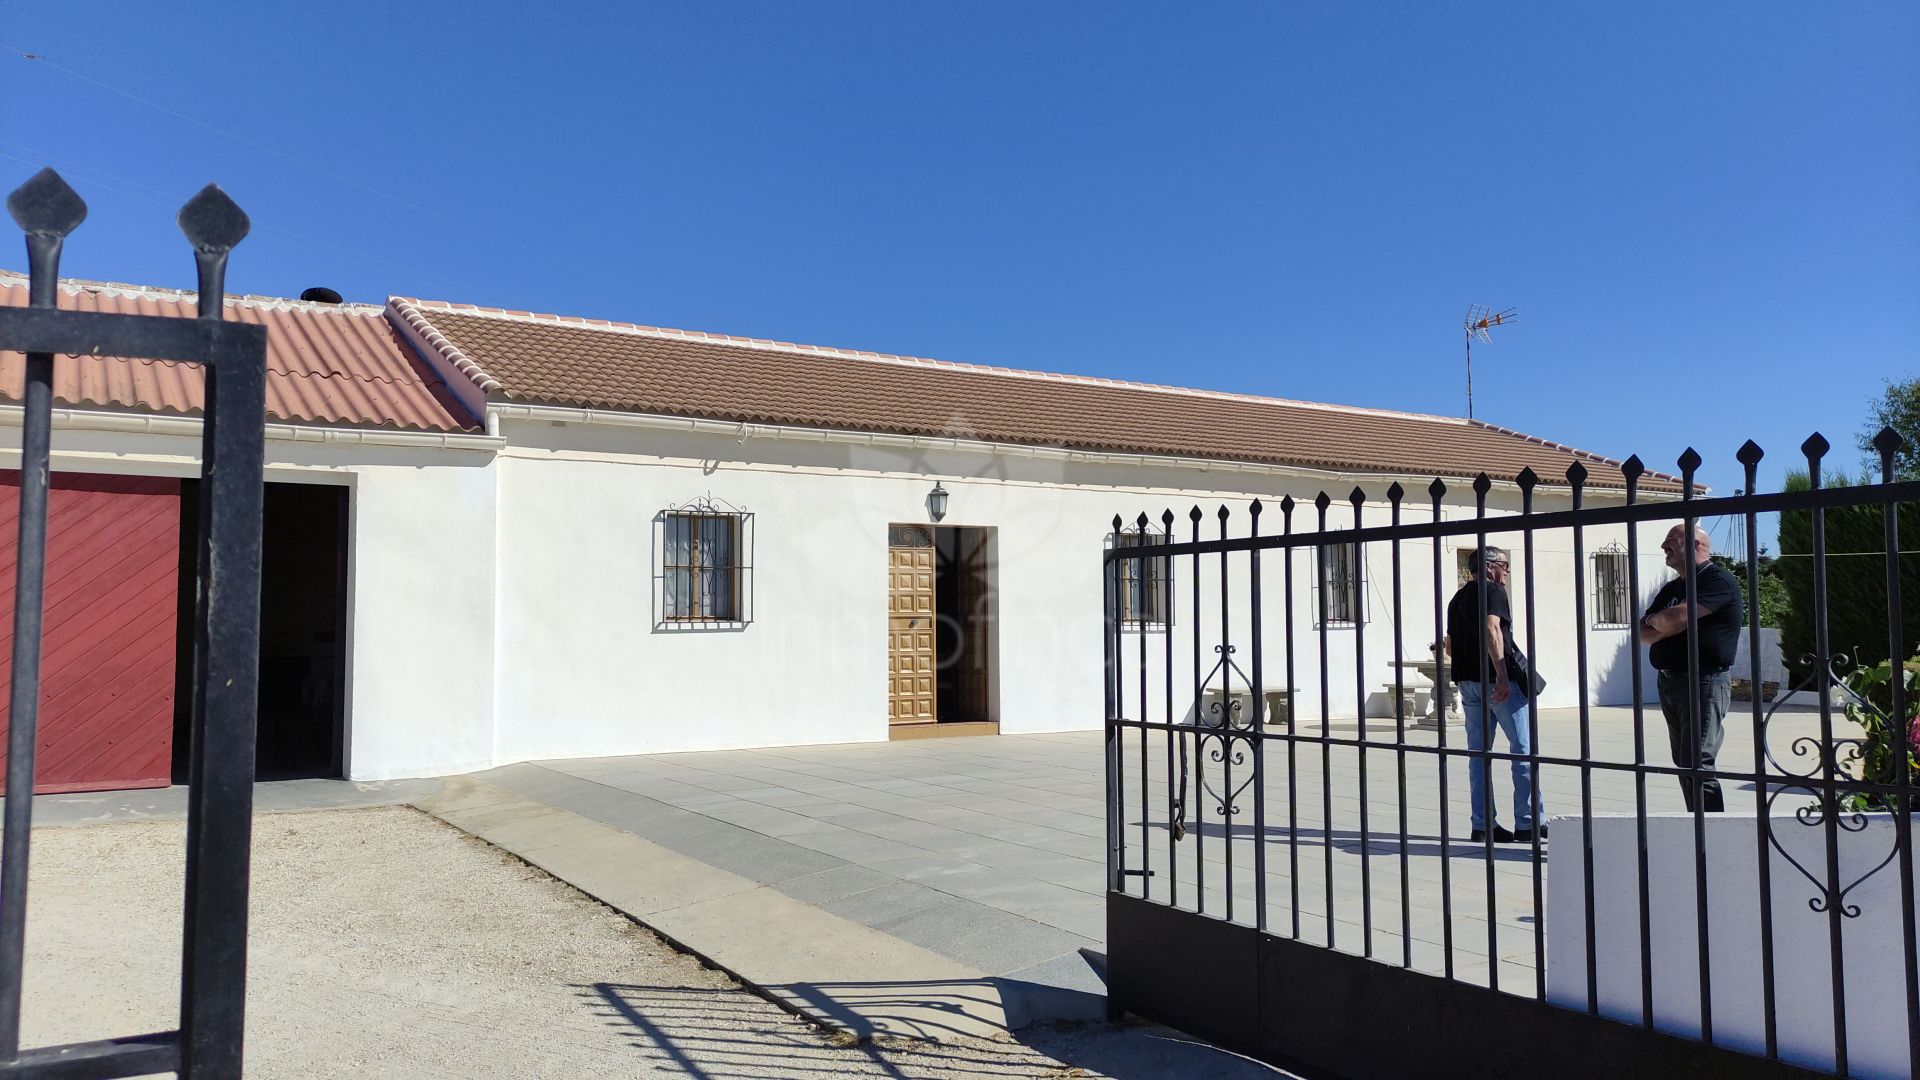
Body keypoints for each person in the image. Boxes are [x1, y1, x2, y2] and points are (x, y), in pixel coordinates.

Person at [1640, 524, 1744, 813]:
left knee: (1697, 763)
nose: (1664, 546)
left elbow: (1672, 620)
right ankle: (1695, 822)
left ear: (1696, 544)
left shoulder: (1717, 580)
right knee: (1684, 763)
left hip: (1704, 682)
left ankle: (1710, 829)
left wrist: (1663, 621)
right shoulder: (1673, 588)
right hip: (1670, 683)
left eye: (1670, 540)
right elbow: (1642, 633)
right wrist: (1666, 621)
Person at [1446, 546, 1545, 844]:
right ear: (1489, 567)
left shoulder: (1456, 599)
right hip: (1497, 683)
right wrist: (1501, 674)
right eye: (1505, 564)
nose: (1507, 571)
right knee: (1523, 751)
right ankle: (1528, 822)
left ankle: (1483, 825)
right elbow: (1492, 629)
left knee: (1479, 755)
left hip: (1468, 683)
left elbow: (1450, 646)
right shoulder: (1492, 591)